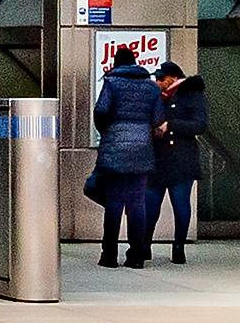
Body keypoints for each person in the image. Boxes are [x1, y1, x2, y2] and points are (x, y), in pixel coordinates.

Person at [90, 45, 166, 270]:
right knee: (137, 203)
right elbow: (158, 120)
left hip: (115, 149)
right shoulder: (152, 88)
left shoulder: (112, 83)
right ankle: (136, 256)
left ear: (116, 63)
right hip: (142, 149)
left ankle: (110, 255)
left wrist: (108, 132)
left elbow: (101, 111)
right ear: (135, 62)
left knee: (114, 203)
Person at [153, 60, 209, 264]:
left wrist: (172, 125)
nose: (158, 81)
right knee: (150, 203)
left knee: (180, 203)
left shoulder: (192, 95)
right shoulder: (158, 96)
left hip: (181, 158)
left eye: (161, 78)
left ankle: (178, 246)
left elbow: (200, 125)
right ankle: (143, 245)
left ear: (174, 78)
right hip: (158, 157)